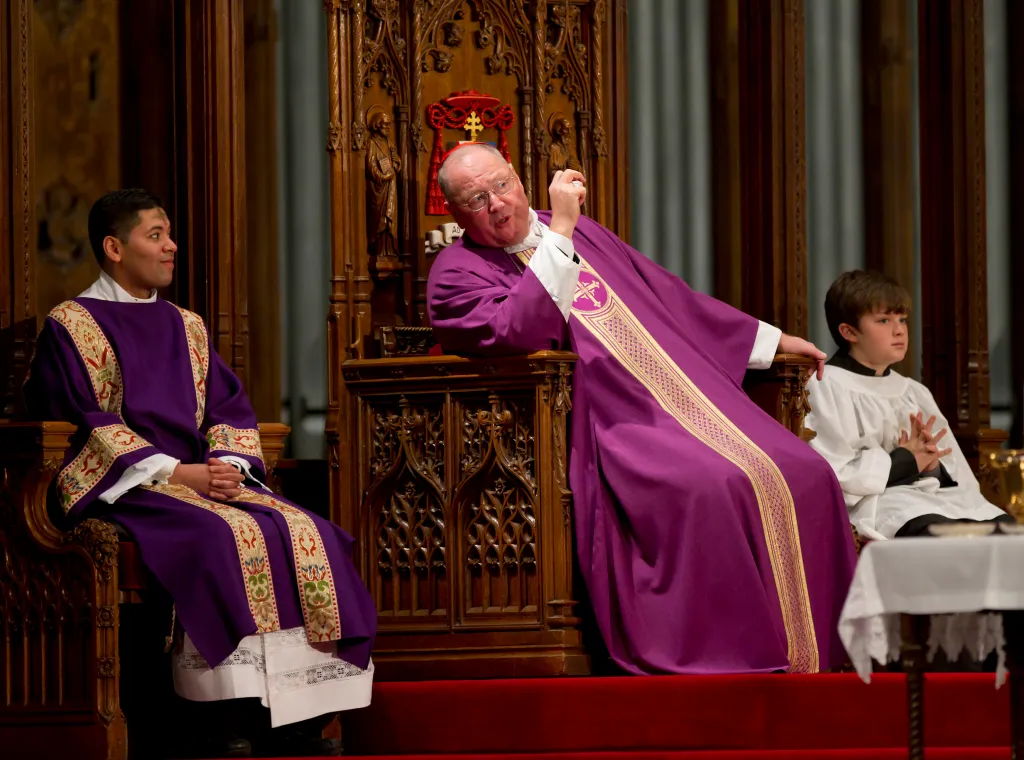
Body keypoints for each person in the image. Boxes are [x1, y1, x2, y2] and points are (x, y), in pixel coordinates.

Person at [426, 143, 857, 675]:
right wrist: (560, 231)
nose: (497, 204)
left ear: (517, 177)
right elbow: (523, 329)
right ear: (454, 212)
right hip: (603, 424)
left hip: (691, 398)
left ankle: (827, 659)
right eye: (476, 199)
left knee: (808, 471)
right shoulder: (456, 274)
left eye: (502, 185)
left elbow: (668, 296)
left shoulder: (581, 230)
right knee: (713, 485)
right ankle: (737, 657)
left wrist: (771, 340)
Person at [24, 189, 376, 758]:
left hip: (204, 477)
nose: (171, 247)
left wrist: (228, 465)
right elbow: (84, 420)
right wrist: (180, 476)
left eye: (169, 234)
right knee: (222, 536)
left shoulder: (187, 325)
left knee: (306, 531)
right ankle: (216, 717)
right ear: (114, 248)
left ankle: (292, 718)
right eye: (155, 235)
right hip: (129, 486)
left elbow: (227, 408)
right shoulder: (73, 325)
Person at [804, 270, 1009, 540]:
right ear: (849, 331)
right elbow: (834, 473)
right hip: (881, 505)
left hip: (937, 498)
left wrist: (932, 465)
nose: (899, 329)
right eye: (884, 320)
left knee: (1006, 529)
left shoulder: (913, 391)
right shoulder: (824, 385)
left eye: (902, 319)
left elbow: (956, 470)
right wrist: (905, 460)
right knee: (945, 537)